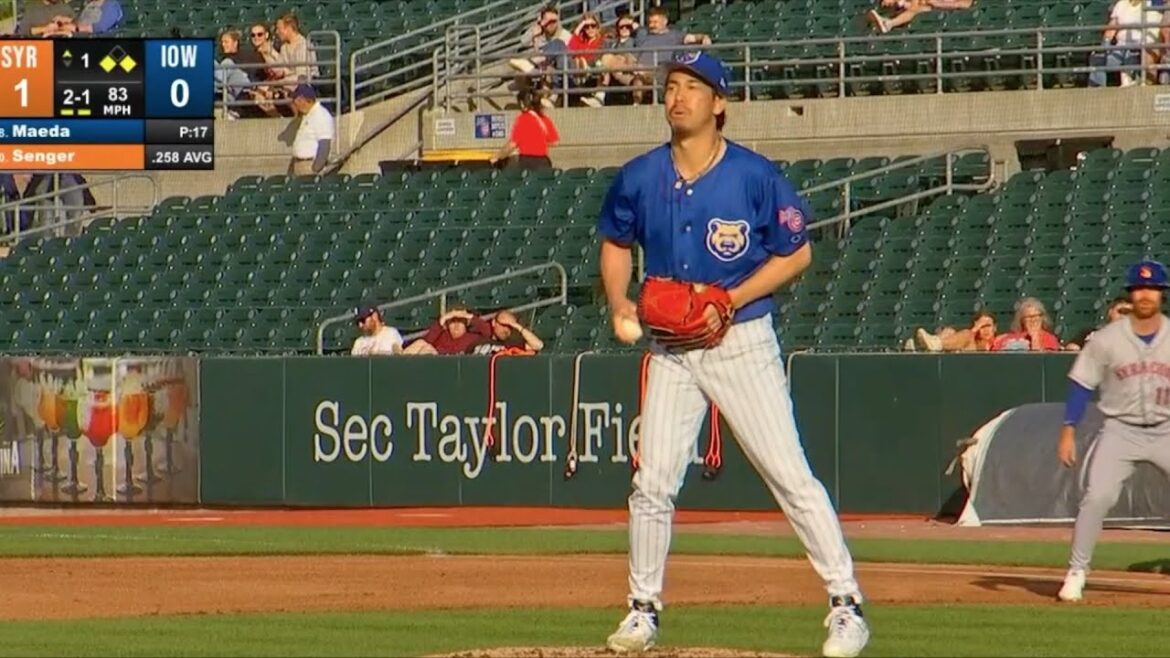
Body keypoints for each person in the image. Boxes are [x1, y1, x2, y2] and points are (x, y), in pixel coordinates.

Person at [596, 51, 869, 658]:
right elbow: (615, 242)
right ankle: (642, 610)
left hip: (740, 340)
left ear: (719, 103)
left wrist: (730, 297)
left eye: (693, 87)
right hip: (672, 349)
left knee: (790, 476)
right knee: (651, 482)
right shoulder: (639, 176)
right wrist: (619, 301)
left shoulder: (753, 175)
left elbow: (796, 253)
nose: (678, 97)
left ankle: (846, 605)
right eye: (670, 87)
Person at [1057, 259, 1170, 602]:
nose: (1145, 294)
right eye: (1139, 288)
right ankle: (1077, 571)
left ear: (1162, 294)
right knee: (1098, 497)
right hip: (1120, 430)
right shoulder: (1106, 339)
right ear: (1130, 294)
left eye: (1152, 288)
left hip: (1166, 428)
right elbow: (1080, 385)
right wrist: (1068, 430)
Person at [489, 89, 560, 169]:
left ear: (522, 104)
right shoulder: (544, 119)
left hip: (527, 162)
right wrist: (537, 143)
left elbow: (512, 144)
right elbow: (555, 142)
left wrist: (497, 156)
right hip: (543, 162)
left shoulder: (523, 119)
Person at [285, 83, 333, 176]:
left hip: (309, 166)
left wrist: (315, 170)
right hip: (300, 165)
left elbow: (324, 145)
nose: (295, 103)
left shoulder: (321, 116)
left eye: (296, 100)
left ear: (303, 99)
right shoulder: (307, 115)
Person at [989, 297, 1063, 352]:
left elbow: (1039, 363)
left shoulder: (1049, 338)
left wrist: (1035, 338)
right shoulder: (1007, 338)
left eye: (1036, 316)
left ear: (1042, 318)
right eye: (1028, 317)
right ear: (1021, 320)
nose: (1033, 320)